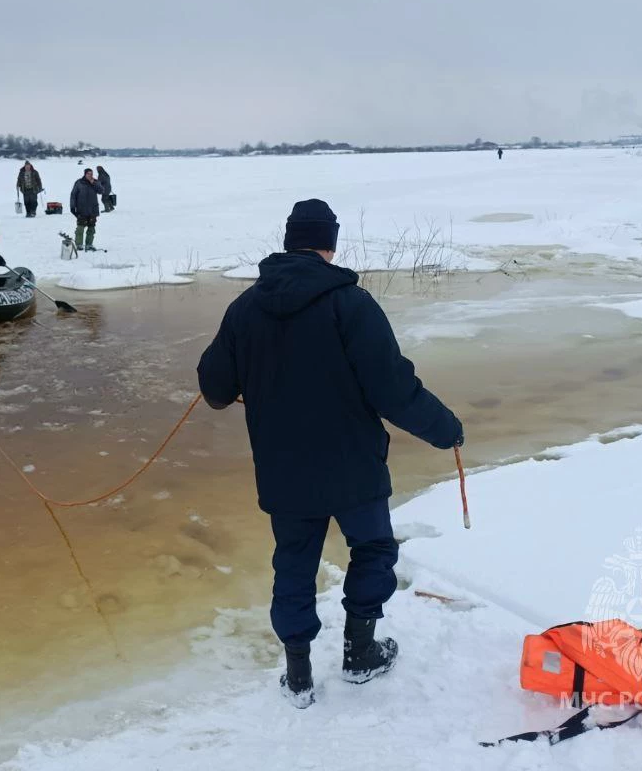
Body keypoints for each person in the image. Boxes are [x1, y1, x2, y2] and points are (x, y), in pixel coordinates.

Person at [196, 199, 463, 709]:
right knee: (374, 550)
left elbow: (214, 388)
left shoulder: (245, 308)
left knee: (294, 563)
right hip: (353, 464)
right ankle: (360, 653)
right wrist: (445, 428)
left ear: (290, 240)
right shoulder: (351, 304)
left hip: (283, 468)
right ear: (330, 244)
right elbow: (393, 389)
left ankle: (298, 675)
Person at [69, 167, 103, 251]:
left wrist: (93, 183)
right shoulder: (79, 183)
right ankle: (79, 244)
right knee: (80, 228)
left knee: (91, 228)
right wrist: (72, 207)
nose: (90, 175)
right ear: (85, 174)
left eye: (91, 174)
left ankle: (89, 244)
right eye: (88, 174)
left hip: (93, 209)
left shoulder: (96, 182)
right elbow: (73, 195)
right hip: (81, 209)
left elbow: (101, 191)